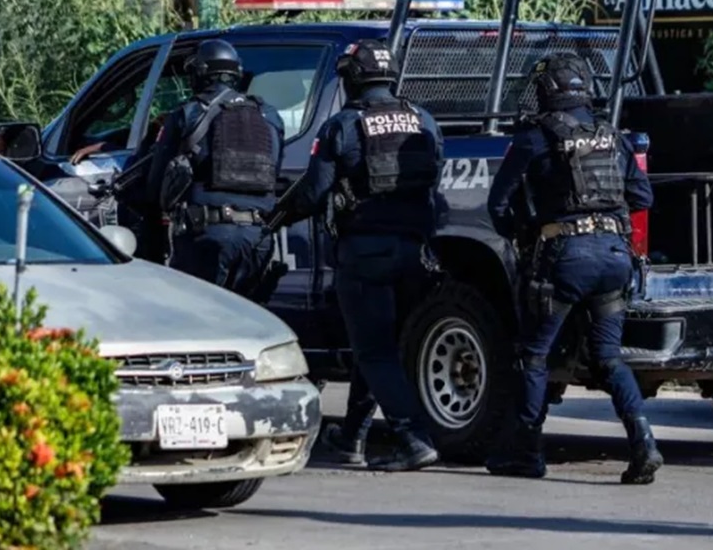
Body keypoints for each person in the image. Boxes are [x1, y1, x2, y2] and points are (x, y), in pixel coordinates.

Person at [484, 51, 661, 485]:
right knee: (609, 358)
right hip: (615, 261)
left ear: (546, 92)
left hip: (564, 259)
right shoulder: (611, 135)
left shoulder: (535, 137)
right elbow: (643, 198)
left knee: (534, 356)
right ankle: (644, 444)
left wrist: (529, 232)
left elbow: (498, 205)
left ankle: (527, 453)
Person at [280, 38, 446, 472]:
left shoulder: (343, 126)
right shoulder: (423, 119)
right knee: (376, 349)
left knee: (374, 351)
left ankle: (413, 439)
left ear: (353, 78)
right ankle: (352, 436)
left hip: (366, 253)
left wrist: (277, 214)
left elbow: (314, 193)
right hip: (416, 253)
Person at [145, 39, 284, 294]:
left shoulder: (187, 115)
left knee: (203, 324)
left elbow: (154, 187)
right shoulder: (269, 116)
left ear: (200, 73)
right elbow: (274, 171)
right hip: (258, 241)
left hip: (206, 240)